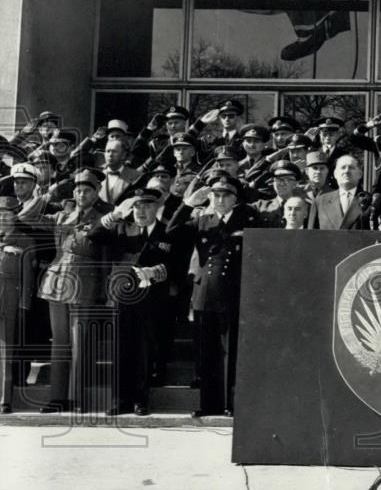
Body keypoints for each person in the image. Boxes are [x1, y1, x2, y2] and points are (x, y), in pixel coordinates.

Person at [167, 174, 262, 417]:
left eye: (226, 195)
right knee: (206, 350)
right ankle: (209, 404)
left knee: (230, 350)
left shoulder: (248, 218)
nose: (220, 199)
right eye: (216, 194)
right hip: (205, 290)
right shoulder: (202, 220)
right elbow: (171, 232)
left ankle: (230, 403)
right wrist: (187, 204)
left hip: (234, 290)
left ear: (235, 199)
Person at [90, 187, 184, 416]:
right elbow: (93, 236)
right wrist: (114, 215)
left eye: (148, 205)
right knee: (121, 349)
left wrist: (157, 271)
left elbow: (177, 265)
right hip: (122, 297)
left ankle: (140, 401)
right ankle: (120, 400)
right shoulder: (122, 228)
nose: (141, 211)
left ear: (158, 207)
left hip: (152, 299)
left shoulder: (167, 231)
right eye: (137, 206)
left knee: (145, 350)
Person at [36, 168, 112, 413]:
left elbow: (105, 257)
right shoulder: (61, 216)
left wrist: (104, 289)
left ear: (97, 192)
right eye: (78, 189)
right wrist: (53, 190)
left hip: (85, 284)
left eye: (87, 189)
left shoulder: (104, 217)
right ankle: (57, 397)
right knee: (59, 342)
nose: (81, 193)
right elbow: (29, 215)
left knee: (80, 343)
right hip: (56, 283)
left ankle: (77, 398)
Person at [0, 195, 34, 414]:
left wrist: (24, 303)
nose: (2, 218)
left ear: (15, 216)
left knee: (5, 351)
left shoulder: (24, 240)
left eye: (6, 214)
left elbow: (28, 276)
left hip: (9, 297)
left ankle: (5, 400)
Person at [308, 155, 369, 230]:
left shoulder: (371, 201)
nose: (346, 171)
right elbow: (311, 237)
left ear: (360, 174)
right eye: (343, 167)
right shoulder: (320, 202)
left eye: (351, 167)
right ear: (335, 174)